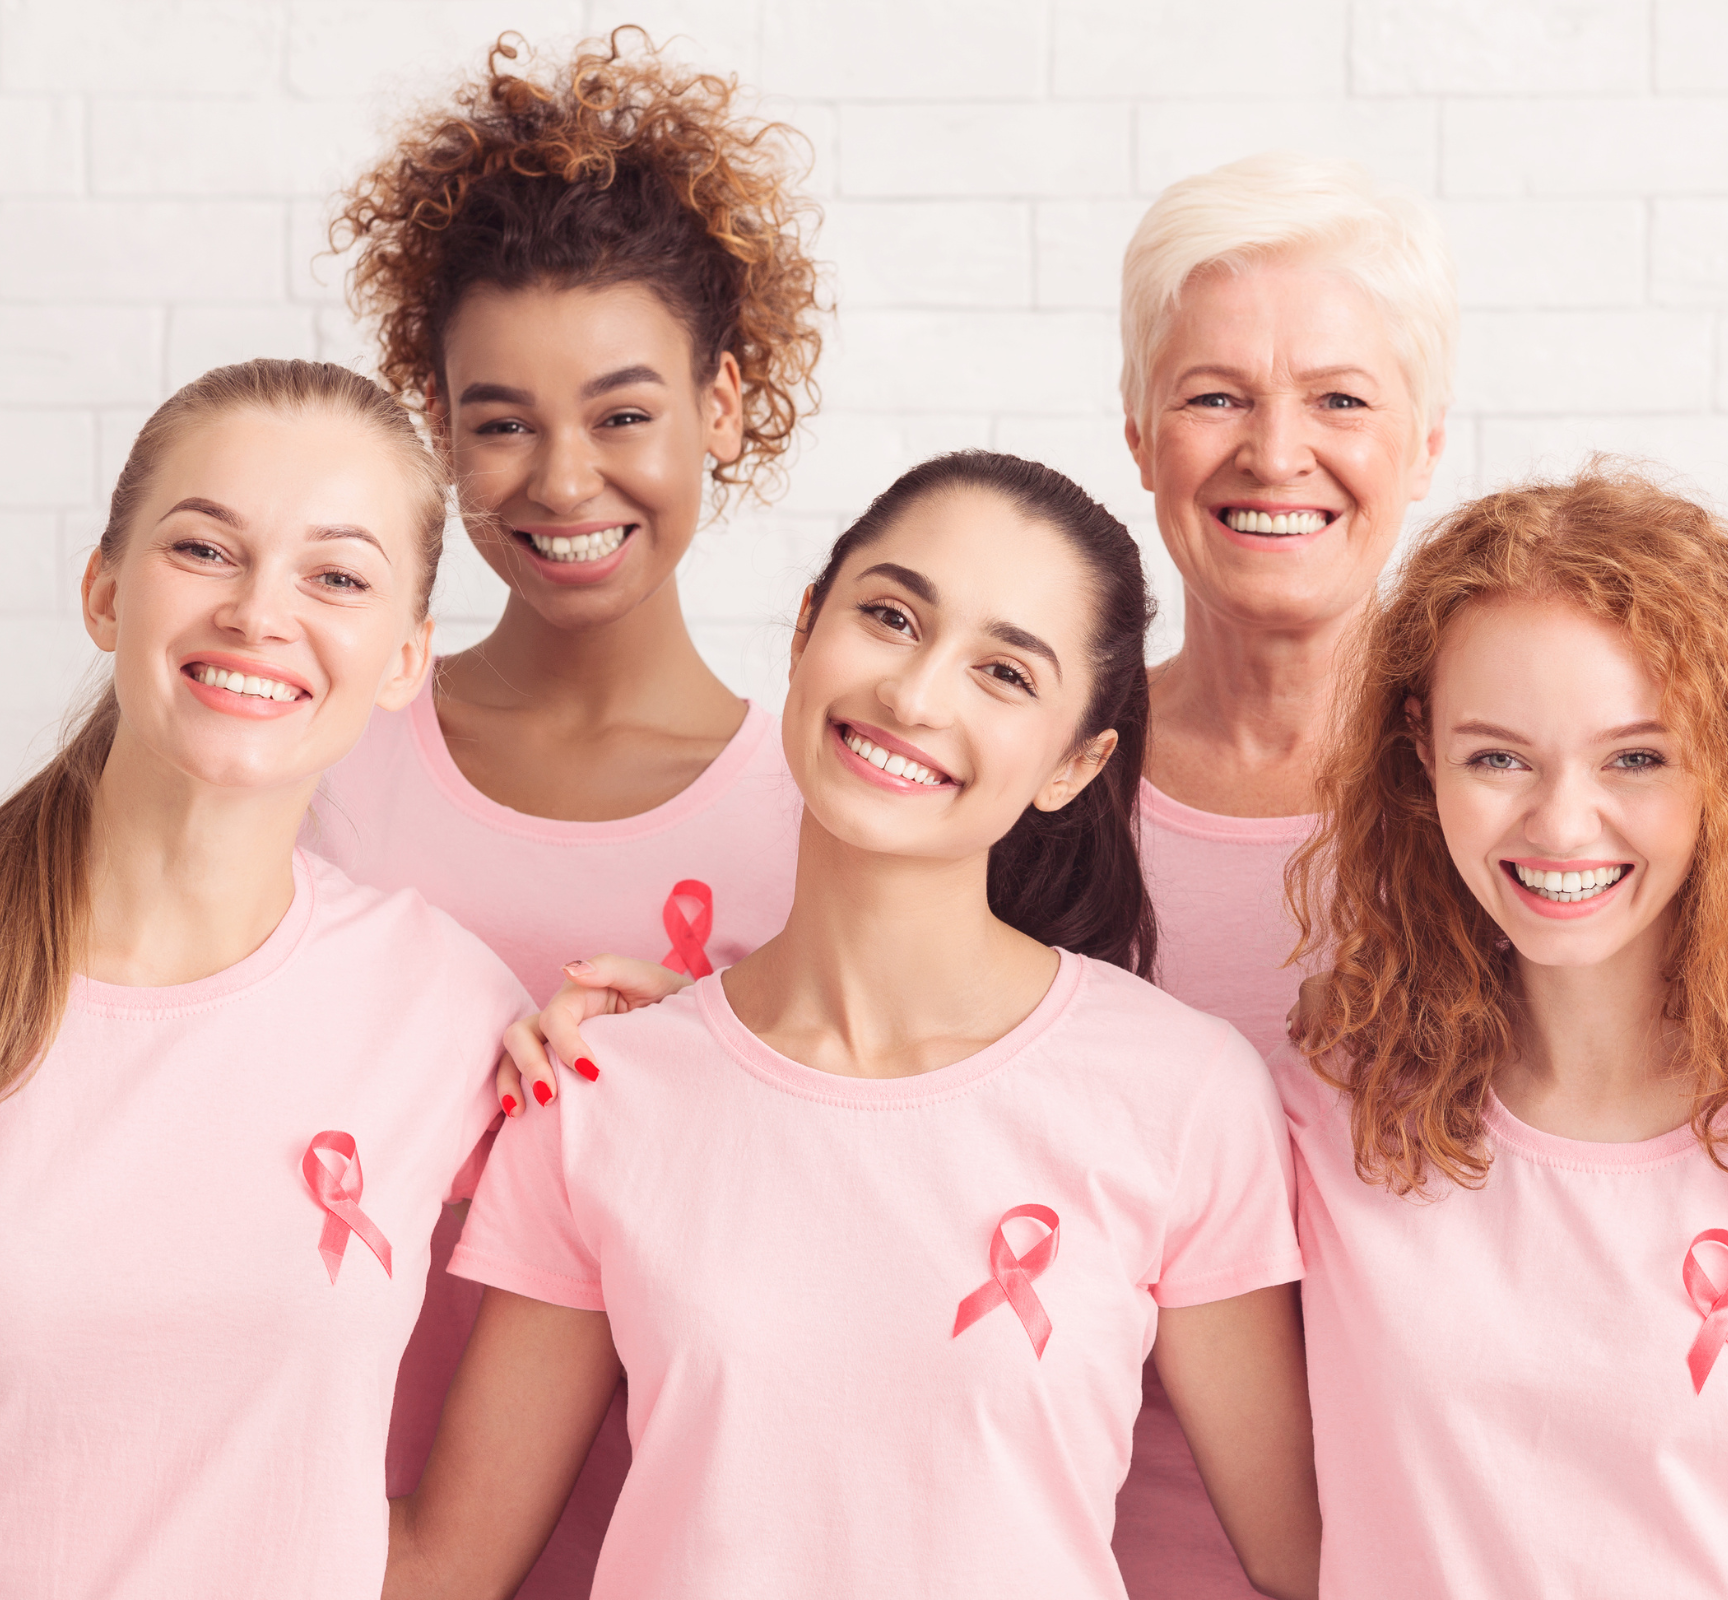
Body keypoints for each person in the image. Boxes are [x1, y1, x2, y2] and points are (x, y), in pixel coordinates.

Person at [392, 452, 1319, 1599]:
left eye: (1003, 673)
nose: (916, 694)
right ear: (803, 629)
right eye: (889, 616)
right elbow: (445, 1567)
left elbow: (1311, 1562)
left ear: (1074, 765)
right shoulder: (603, 1091)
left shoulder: (1180, 1094)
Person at [1285, 469, 1728, 1598]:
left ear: (1726, 755)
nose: (1562, 822)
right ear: (1420, 753)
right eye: (1497, 757)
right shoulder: (1329, 1089)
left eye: (1635, 757)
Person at [319, 32, 824, 1592]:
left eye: (622, 414)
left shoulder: (829, 818)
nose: (563, 481)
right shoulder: (326, 758)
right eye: (500, 422)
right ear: (438, 425)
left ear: (722, 404)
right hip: (356, 1523)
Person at [0, 360, 526, 1598]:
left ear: (405, 658)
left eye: (336, 577)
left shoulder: (449, 1008)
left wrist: (680, 1038)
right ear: (103, 589)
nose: (258, 612)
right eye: (205, 549)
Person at [1111, 150, 1453, 1599]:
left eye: (1338, 398)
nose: (1274, 452)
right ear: (1139, 436)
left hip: (1441, 1552)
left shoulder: (1526, 810)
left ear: (1426, 442)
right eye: (1215, 397)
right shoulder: (1031, 780)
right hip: (1087, 1549)